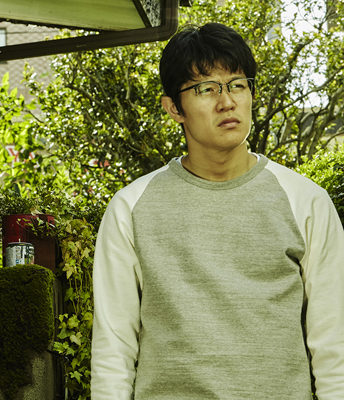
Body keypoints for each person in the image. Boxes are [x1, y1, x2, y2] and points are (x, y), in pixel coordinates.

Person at [91, 23, 344, 399]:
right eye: (206, 89)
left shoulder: (306, 202)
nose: (227, 102)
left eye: (237, 85)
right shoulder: (130, 208)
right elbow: (113, 351)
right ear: (173, 108)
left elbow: (334, 347)